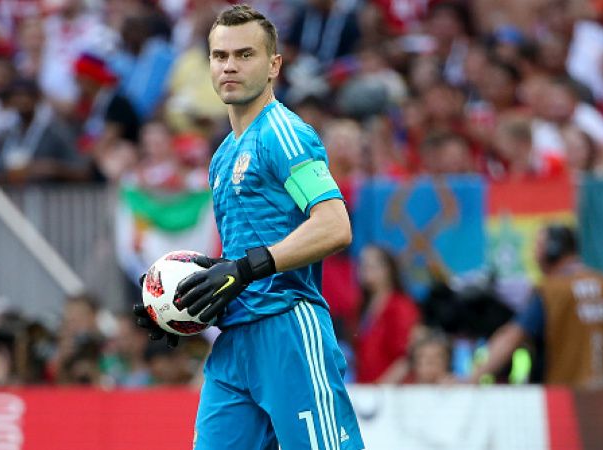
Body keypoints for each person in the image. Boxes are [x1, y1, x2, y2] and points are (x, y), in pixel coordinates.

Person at [133, 5, 364, 449]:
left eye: (245, 54)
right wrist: (175, 301)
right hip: (234, 341)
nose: (230, 66)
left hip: (288, 331)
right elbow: (242, 255)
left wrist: (245, 269)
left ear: (274, 64)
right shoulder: (221, 157)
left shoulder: (284, 133)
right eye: (220, 56)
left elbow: (335, 225)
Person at [469, 224, 603, 388]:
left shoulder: (551, 290)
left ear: (553, 250)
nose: (534, 255)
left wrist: (472, 379)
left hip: (566, 400)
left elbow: (512, 338)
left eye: (538, 246)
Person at [354, 245, 421, 383]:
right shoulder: (362, 308)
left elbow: (408, 356)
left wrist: (381, 387)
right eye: (362, 264)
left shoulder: (400, 306)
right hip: (367, 391)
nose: (364, 269)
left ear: (388, 269)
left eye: (371, 265)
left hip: (392, 392)